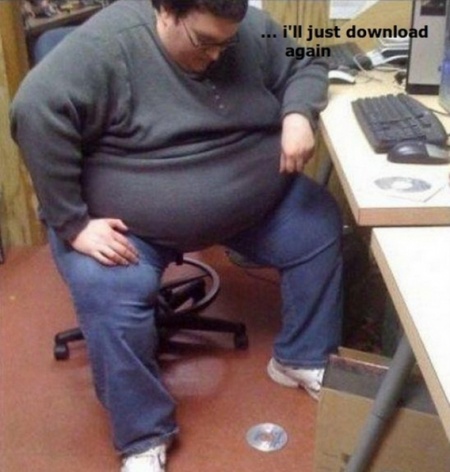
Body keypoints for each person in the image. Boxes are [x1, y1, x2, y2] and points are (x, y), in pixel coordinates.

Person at [10, 0, 343, 470]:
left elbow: (307, 59)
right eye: (204, 42)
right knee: (109, 291)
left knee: (316, 221)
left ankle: (300, 356)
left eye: (226, 43)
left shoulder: (245, 28)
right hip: (131, 228)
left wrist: (298, 113)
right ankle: (143, 435)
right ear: (165, 10)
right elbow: (34, 109)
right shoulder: (106, 48)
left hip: (250, 206)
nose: (217, 55)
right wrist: (72, 224)